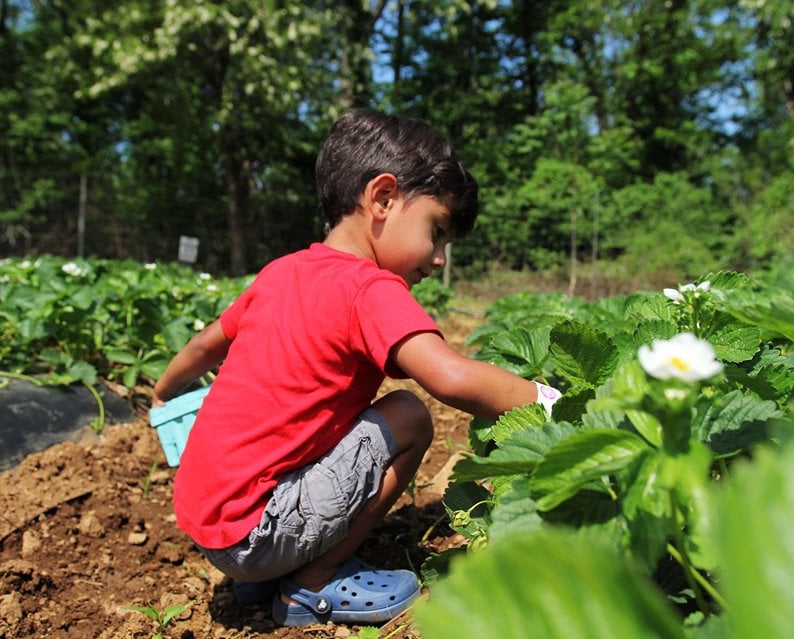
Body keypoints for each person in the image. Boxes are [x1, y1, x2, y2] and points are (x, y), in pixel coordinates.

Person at [151, 108, 561, 627]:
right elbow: (450, 378)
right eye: (436, 232)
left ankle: (266, 575)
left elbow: (205, 345)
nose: (438, 258)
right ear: (383, 198)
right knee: (408, 416)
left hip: (209, 523)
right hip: (258, 532)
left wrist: (163, 393)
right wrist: (555, 403)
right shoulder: (369, 288)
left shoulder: (281, 272)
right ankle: (310, 583)